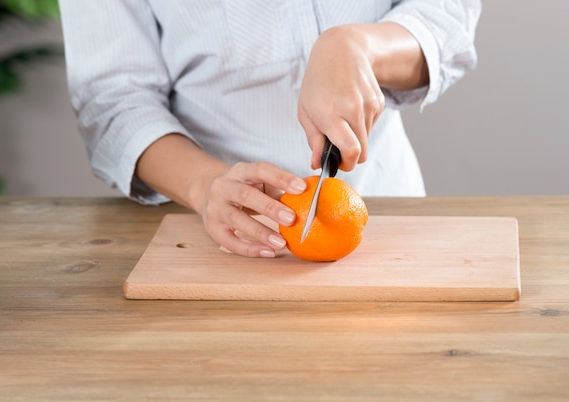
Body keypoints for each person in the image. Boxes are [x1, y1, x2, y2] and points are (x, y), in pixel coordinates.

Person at [59, 1, 481, 258]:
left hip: (389, 212)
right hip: (209, 238)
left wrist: (359, 46)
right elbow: (113, 97)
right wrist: (205, 186)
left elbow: (447, 12)